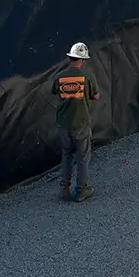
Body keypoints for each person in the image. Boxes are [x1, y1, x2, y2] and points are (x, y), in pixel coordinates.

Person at [52, 42, 100, 202]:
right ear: (83, 60)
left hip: (63, 123)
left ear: (70, 58)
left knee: (66, 154)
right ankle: (81, 190)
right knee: (83, 157)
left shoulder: (59, 77)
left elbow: (56, 92)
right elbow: (96, 96)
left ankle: (64, 189)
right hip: (81, 122)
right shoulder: (87, 77)